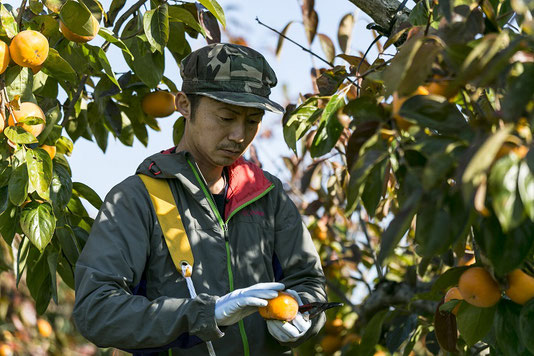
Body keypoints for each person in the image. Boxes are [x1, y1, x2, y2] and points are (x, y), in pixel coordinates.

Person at [73, 43, 327, 356]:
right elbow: (96, 311)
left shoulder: (266, 194)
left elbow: (308, 281)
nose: (238, 135)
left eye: (252, 120)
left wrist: (303, 315)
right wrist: (205, 315)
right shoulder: (137, 199)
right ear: (184, 105)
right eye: (225, 117)